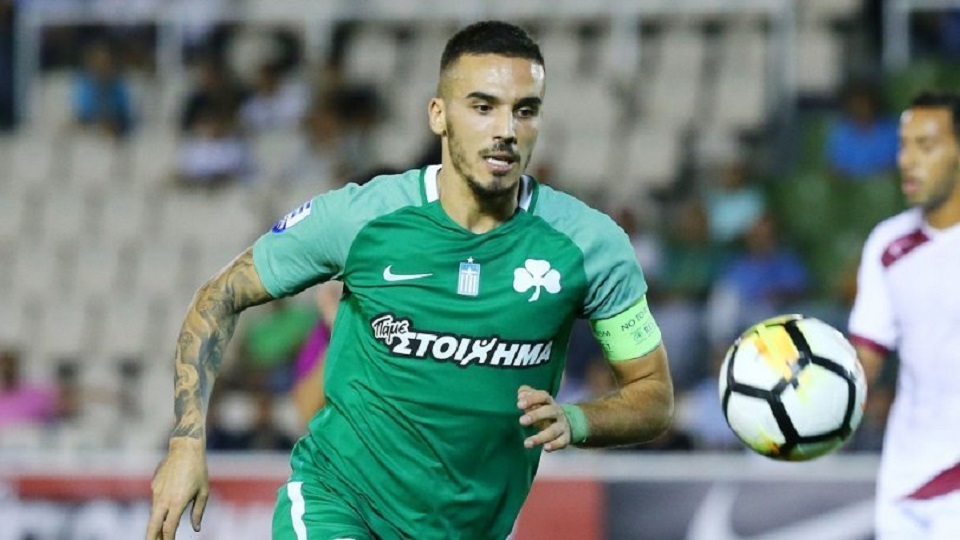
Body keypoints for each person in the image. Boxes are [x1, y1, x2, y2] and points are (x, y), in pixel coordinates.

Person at [147, 21, 673, 540]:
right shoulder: (361, 218)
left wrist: (577, 421)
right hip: (341, 507)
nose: (506, 130)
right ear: (438, 115)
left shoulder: (590, 246)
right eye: (483, 107)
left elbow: (652, 394)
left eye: (525, 110)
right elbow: (218, 296)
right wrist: (186, 444)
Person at [848, 92, 960, 539]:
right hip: (903, 482)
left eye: (925, 146)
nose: (907, 160)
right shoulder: (887, 243)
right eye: (903, 145)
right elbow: (865, 362)